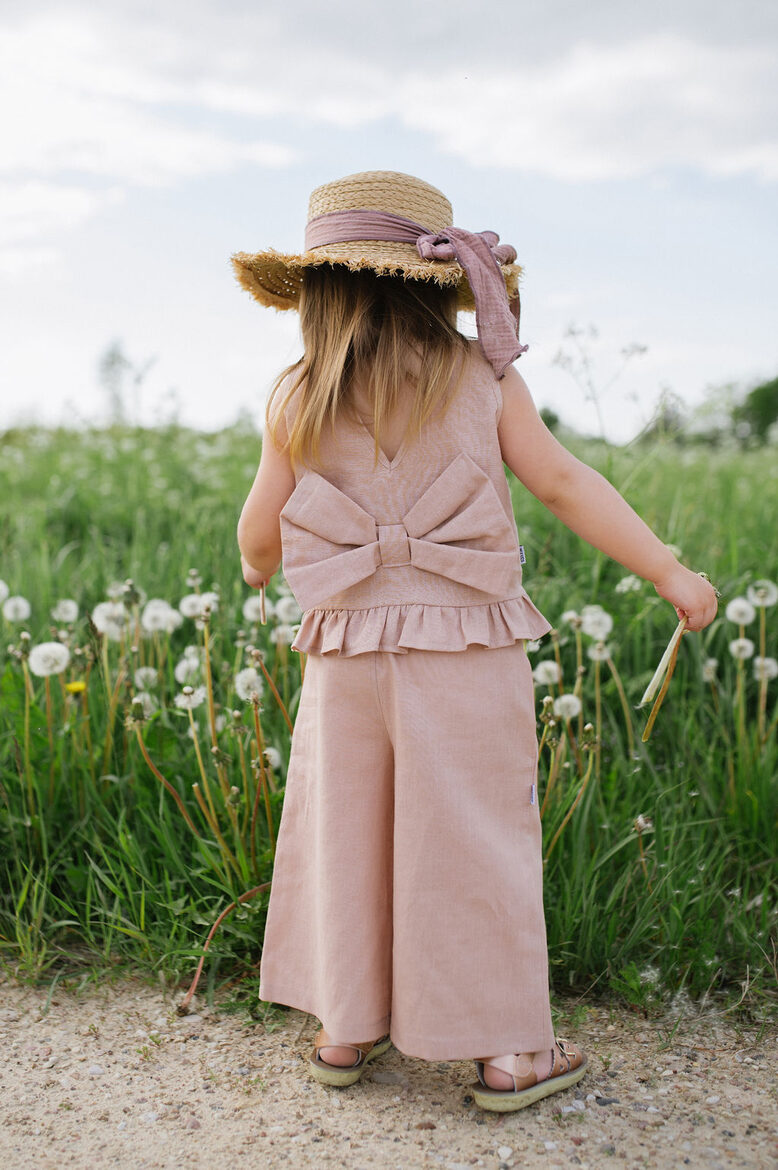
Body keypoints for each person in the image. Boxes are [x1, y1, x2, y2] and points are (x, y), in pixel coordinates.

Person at [233, 170, 718, 1112]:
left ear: (318, 291)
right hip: (466, 649)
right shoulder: (482, 376)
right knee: (474, 842)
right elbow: (566, 485)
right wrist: (668, 571)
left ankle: (345, 1027)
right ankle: (507, 1053)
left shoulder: (296, 394)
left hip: (346, 655)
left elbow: (260, 539)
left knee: (348, 830)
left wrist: (262, 564)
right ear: (437, 285)